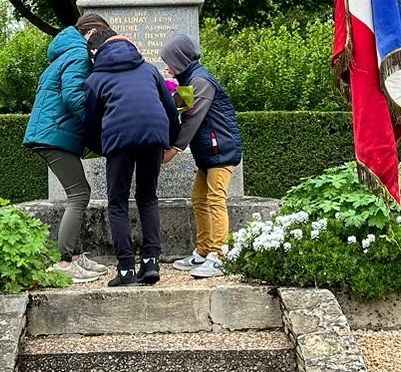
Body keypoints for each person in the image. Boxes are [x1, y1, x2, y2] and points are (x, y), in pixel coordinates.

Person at [83, 28, 178, 287]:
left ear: (95, 52)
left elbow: (90, 122)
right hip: (154, 135)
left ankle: (126, 269)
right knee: (148, 197)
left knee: (117, 203)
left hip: (118, 140)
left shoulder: (96, 78)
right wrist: (169, 140)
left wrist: (101, 147)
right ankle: (151, 262)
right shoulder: (148, 70)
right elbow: (170, 108)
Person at [24, 23, 105, 282]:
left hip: (51, 133)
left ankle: (77, 256)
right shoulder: (79, 53)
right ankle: (66, 262)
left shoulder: (67, 52)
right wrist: (97, 127)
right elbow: (73, 96)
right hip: (54, 136)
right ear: (91, 33)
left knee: (80, 193)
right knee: (79, 194)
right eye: (99, 39)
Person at [159, 33, 243, 279]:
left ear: (180, 59)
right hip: (209, 151)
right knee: (199, 198)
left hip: (221, 149)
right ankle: (204, 251)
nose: (166, 66)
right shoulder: (192, 79)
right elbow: (179, 105)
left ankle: (219, 254)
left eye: (169, 60)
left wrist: (174, 148)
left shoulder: (201, 81)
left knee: (215, 198)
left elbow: (192, 118)